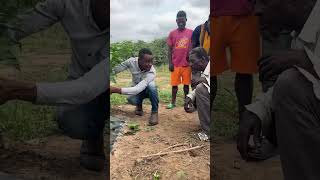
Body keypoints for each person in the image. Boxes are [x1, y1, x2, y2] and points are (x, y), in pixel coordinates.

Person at [0, 0, 108, 171]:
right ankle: (93, 134)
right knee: (73, 120)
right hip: (84, 81)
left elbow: (87, 88)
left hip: (114, 87)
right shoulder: (68, 3)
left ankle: (97, 130)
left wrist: (14, 90)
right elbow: (14, 28)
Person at [237, 0, 320, 179]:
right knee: (287, 87)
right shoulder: (298, 38)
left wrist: (304, 61)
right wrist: (258, 110)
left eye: (263, 1)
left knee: (291, 85)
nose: (257, 11)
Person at [210, 0, 260, 117]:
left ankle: (244, 121)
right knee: (209, 72)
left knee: (245, 72)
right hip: (215, 13)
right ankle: (206, 122)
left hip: (246, 13)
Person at [110, 48, 159, 126]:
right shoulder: (131, 62)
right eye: (147, 62)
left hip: (147, 91)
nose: (150, 64)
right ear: (139, 60)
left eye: (151, 62)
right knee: (131, 100)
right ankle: (139, 106)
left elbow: (137, 89)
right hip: (137, 89)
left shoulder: (151, 72)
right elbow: (115, 70)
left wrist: (114, 90)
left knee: (152, 86)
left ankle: (154, 112)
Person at [167, 10, 193, 109]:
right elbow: (169, 50)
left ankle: (186, 102)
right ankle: (173, 103)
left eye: (183, 21)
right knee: (174, 86)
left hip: (187, 65)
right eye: (179, 21)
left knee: (186, 86)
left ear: (186, 20)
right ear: (176, 21)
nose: (181, 23)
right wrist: (170, 63)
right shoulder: (172, 33)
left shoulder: (191, 32)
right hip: (175, 64)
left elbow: (194, 47)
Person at [184, 47, 210, 140]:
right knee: (199, 89)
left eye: (193, 61)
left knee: (200, 89)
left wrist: (204, 80)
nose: (190, 64)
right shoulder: (204, 70)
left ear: (203, 59)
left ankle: (207, 132)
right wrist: (190, 97)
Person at [191, 17, 210, 90]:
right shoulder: (199, 29)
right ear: (208, 21)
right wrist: (193, 62)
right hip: (198, 63)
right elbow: (192, 45)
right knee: (196, 85)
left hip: (209, 63)